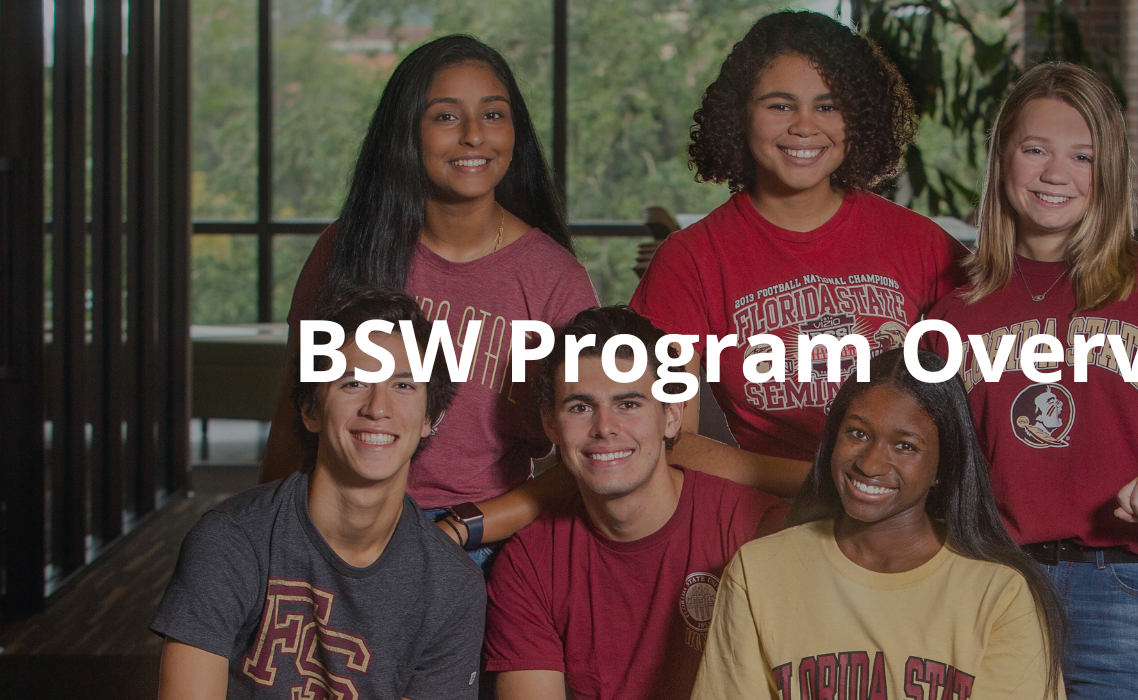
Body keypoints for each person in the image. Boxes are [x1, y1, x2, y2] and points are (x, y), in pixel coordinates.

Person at [631, 11, 1138, 499]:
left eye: (829, 105)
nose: (805, 127)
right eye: (780, 105)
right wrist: (822, 482)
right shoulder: (693, 259)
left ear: (859, 117)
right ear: (742, 116)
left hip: (917, 520)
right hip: (779, 517)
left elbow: (1027, 320)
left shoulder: (919, 244)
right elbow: (665, 433)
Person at [923, 62, 1138, 699]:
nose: (1056, 174)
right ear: (1001, 160)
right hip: (997, 580)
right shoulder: (954, 310)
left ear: (1110, 172)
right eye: (1035, 149)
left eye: (1083, 155)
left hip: (1126, 583)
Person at [259, 35, 598, 564]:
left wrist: (468, 527)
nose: (472, 136)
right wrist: (270, 546)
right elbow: (291, 413)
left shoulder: (555, 278)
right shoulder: (347, 249)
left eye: (493, 114)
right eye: (444, 117)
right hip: (340, 526)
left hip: (483, 533)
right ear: (407, 132)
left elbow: (584, 455)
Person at [152, 288, 485, 700]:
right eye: (354, 382)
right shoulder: (232, 542)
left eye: (403, 384)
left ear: (429, 417)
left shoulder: (451, 584)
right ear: (311, 409)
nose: (378, 407)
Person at [691, 347, 1068, 700]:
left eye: (905, 446)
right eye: (857, 433)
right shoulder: (758, 572)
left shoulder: (1000, 592)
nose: (870, 464)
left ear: (943, 464)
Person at [483, 306, 788, 700]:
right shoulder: (529, 563)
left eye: (628, 404)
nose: (605, 426)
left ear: (672, 415)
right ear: (550, 424)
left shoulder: (756, 527)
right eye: (580, 407)